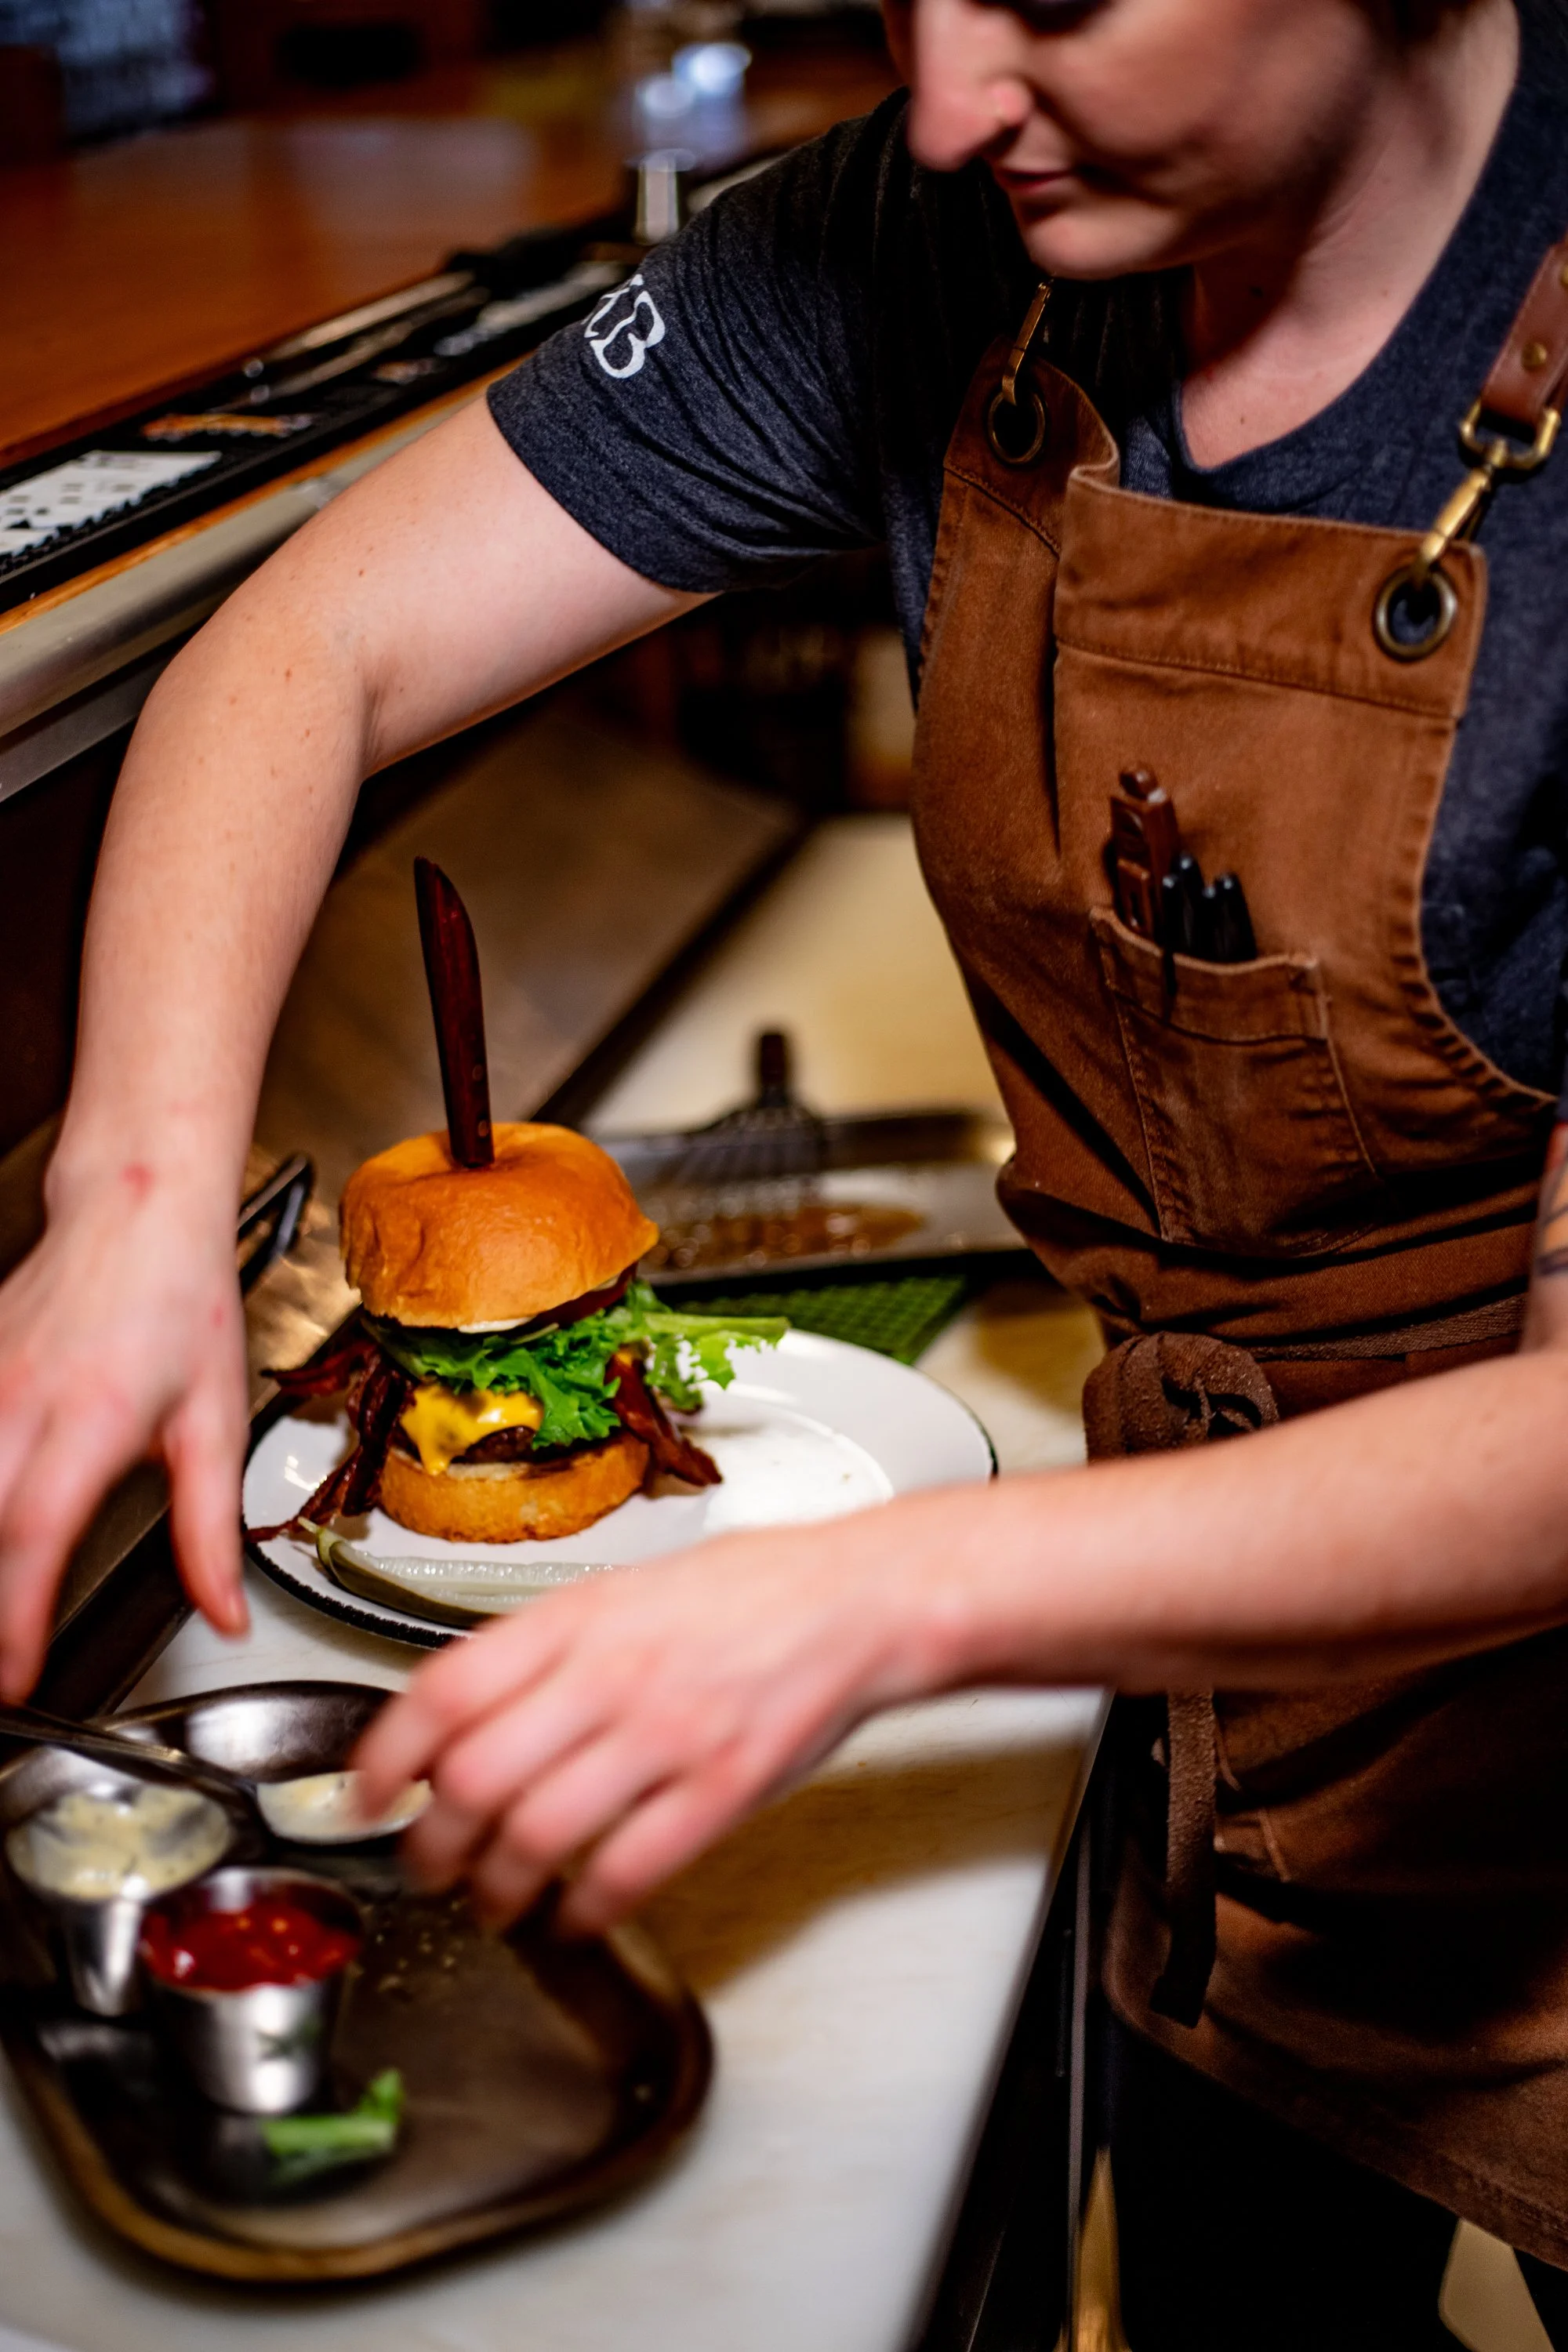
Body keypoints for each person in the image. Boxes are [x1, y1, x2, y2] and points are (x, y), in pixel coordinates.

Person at [7, 0, 1568, 2336]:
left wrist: (885, 1599)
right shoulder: (940, 238)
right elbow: (311, 634)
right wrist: (131, 1194)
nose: (942, 100)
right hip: (1230, 1737)